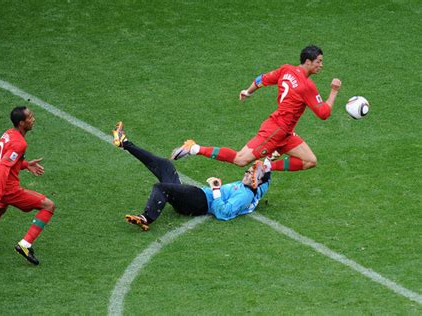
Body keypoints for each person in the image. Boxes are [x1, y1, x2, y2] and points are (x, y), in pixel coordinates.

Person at [171, 45, 342, 172]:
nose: (321, 65)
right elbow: (324, 113)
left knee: (310, 160)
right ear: (308, 62)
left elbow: (262, 79)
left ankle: (266, 166)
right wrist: (334, 91)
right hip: (275, 131)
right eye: (319, 61)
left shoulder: (286, 69)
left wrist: (248, 91)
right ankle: (193, 148)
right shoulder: (307, 86)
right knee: (240, 159)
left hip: (285, 131)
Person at [112, 122, 271, 231]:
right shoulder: (256, 187)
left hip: (200, 202)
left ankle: (146, 218)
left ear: (256, 181)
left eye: (251, 173)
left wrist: (215, 189)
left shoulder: (245, 195)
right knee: (165, 166)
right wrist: (271, 158)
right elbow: (267, 177)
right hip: (197, 197)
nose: (247, 172)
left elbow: (223, 213)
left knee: (161, 188)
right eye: (249, 170)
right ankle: (125, 143)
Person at [0, 106, 55, 265]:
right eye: (30, 117)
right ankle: (25, 244)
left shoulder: (8, 134)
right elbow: (4, 167)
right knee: (49, 206)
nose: (33, 119)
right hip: (7, 189)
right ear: (22, 123)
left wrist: (25, 164)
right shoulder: (20, 143)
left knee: (0, 208)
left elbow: (7, 160)